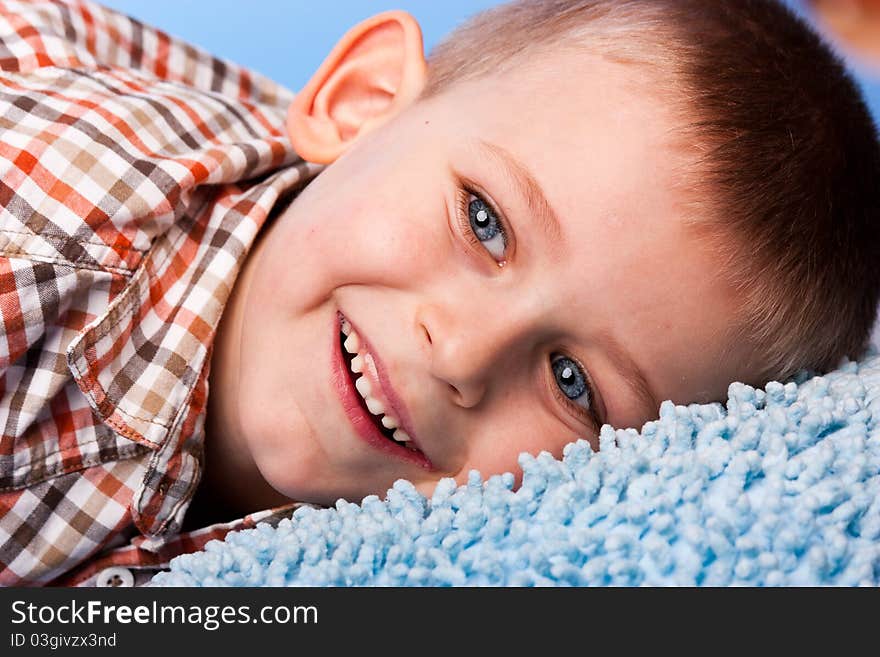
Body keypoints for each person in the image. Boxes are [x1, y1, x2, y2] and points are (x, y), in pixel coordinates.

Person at [1, 0, 878, 586]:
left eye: (572, 382)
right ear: (359, 104)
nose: (459, 353)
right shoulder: (41, 265)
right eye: (484, 222)